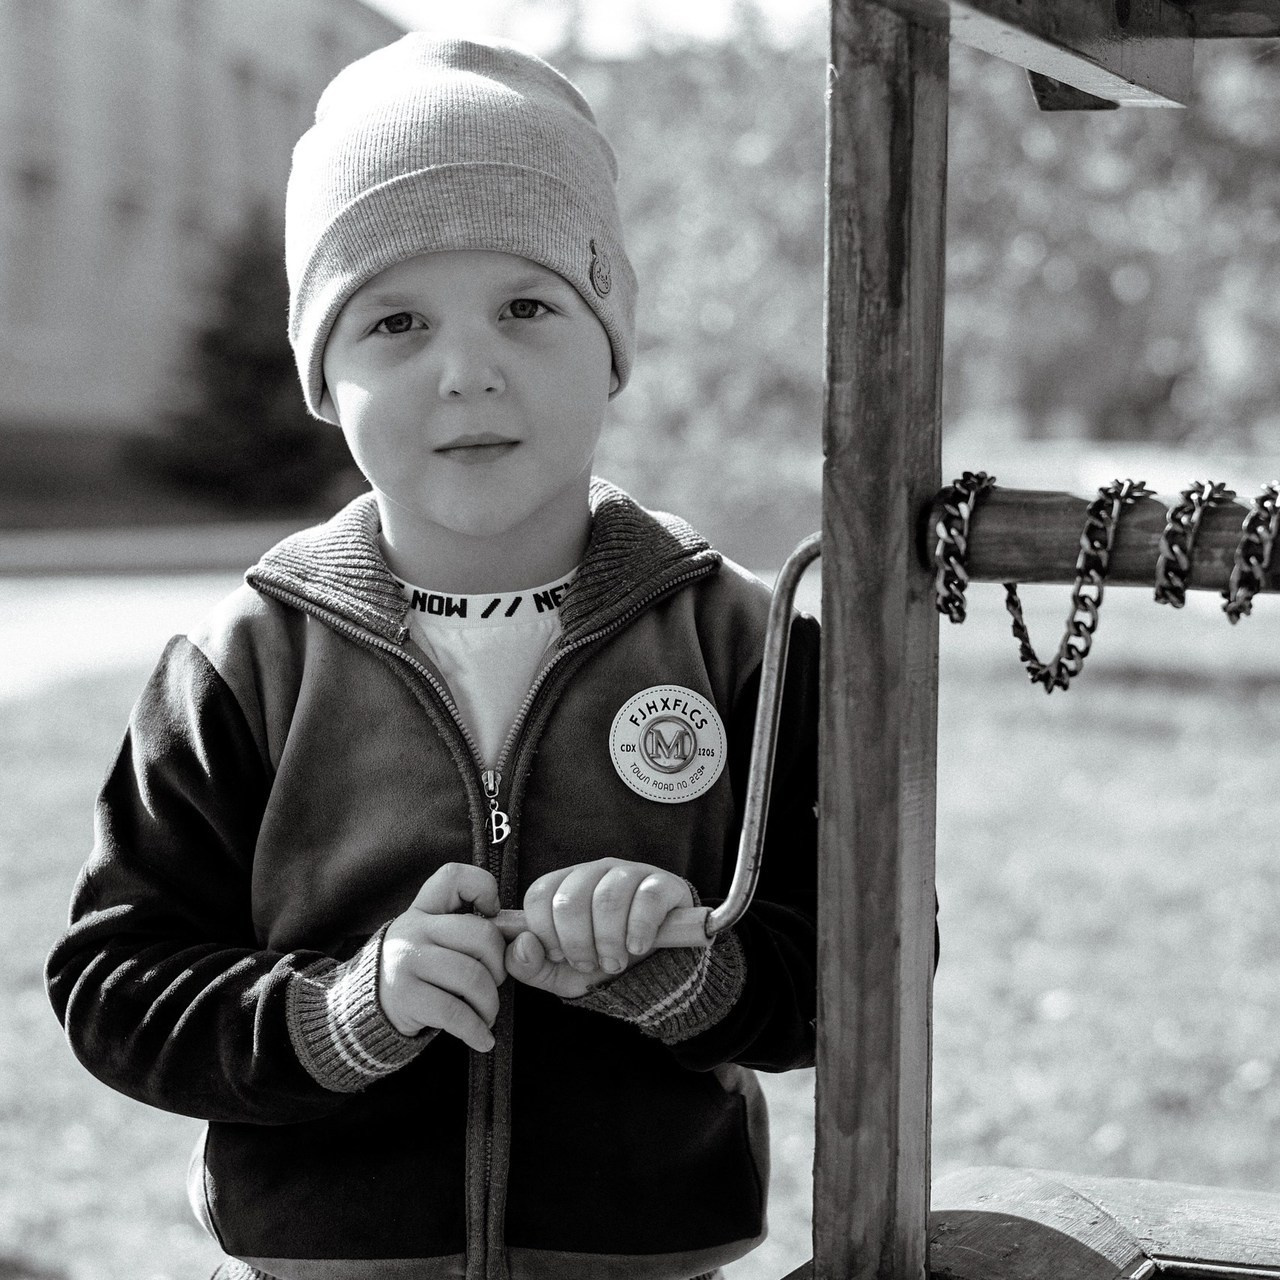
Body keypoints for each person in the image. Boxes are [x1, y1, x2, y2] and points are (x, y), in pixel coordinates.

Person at [46, 33, 819, 1280]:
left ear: (609, 331)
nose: (467, 371)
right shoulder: (242, 663)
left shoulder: (744, 645)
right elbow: (113, 984)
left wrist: (688, 968)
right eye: (395, 320)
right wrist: (346, 1010)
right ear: (322, 373)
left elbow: (864, 964)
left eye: (526, 305)